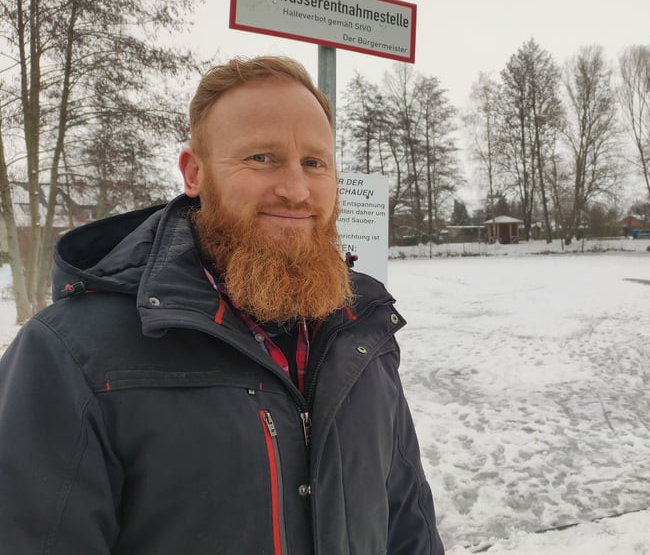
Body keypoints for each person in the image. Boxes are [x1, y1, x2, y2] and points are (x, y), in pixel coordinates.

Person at [0, 56, 444, 555]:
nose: (296, 189)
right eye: (262, 158)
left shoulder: (361, 332)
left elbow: (408, 524)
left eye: (314, 163)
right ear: (195, 173)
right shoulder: (70, 356)